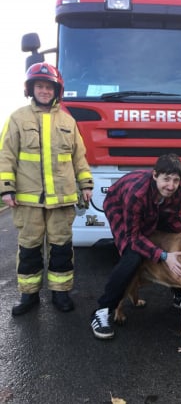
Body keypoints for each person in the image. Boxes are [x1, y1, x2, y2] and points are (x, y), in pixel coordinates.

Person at [0, 62, 93, 315]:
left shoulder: (68, 121)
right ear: (31, 89)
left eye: (48, 86)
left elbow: (79, 158)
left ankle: (60, 293)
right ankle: (28, 296)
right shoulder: (17, 118)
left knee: (61, 248)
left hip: (61, 200)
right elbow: (5, 155)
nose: (44, 90)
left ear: (56, 90)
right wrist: (6, 189)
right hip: (27, 201)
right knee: (29, 248)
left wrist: (85, 184)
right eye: (39, 86)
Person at [90, 153, 181, 340]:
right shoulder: (137, 193)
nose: (171, 185)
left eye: (175, 180)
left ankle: (178, 295)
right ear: (154, 175)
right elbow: (134, 237)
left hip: (153, 207)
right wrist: (163, 255)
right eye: (166, 179)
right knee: (132, 255)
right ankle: (103, 311)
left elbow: (174, 222)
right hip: (119, 205)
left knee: (174, 240)